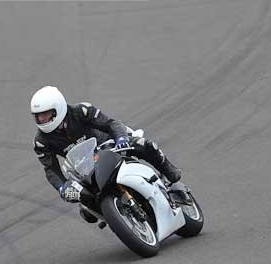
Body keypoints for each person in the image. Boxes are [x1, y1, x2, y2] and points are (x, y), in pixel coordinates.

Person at [30, 86, 182, 223]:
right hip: (83, 168)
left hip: (109, 147)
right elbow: (50, 169)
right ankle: (115, 215)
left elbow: (111, 123)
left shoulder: (81, 111)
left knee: (145, 145)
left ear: (58, 109)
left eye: (45, 114)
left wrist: (121, 139)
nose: (41, 119)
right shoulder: (41, 141)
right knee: (87, 211)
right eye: (38, 116)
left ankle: (169, 171)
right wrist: (62, 187)